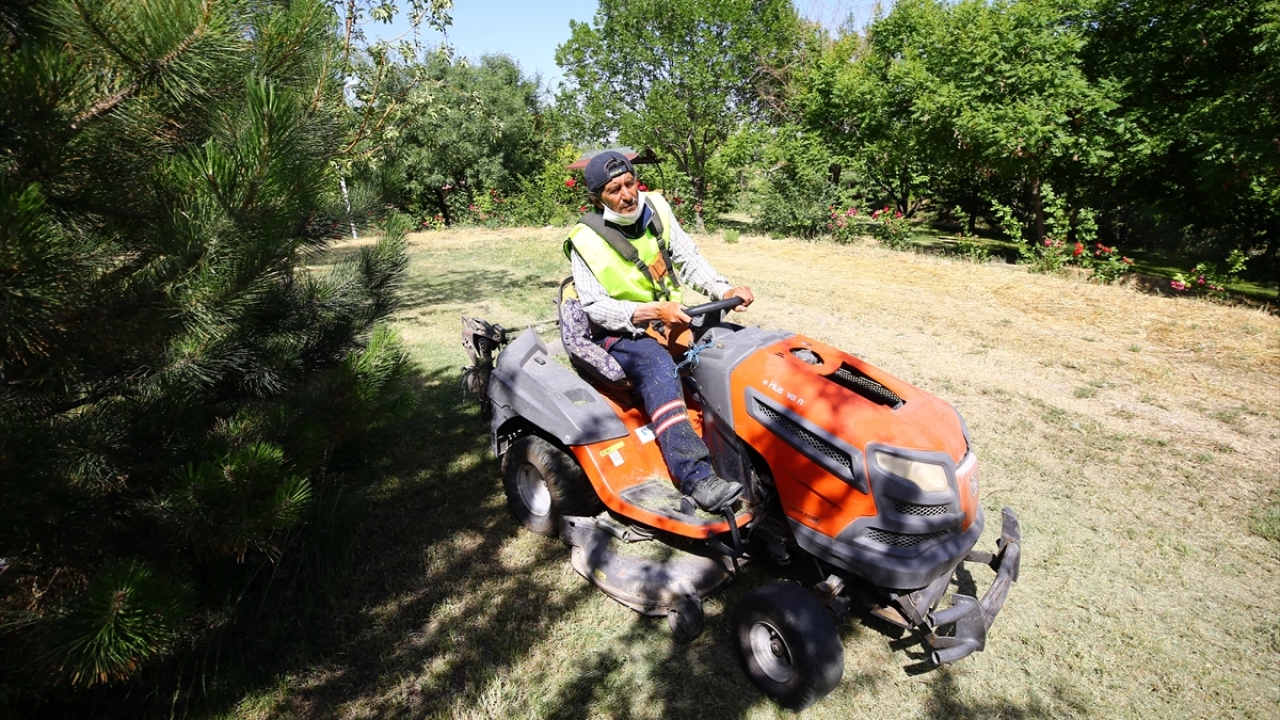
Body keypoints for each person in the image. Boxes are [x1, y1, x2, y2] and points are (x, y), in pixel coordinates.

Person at [564, 150, 755, 513]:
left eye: (630, 183)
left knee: (729, 344)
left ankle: (747, 443)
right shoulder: (584, 240)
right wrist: (651, 311)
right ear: (596, 197)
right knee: (657, 367)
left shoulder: (657, 208)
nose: (627, 195)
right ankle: (696, 476)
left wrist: (722, 289)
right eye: (614, 190)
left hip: (673, 318)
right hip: (620, 331)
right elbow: (594, 307)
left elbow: (688, 258)